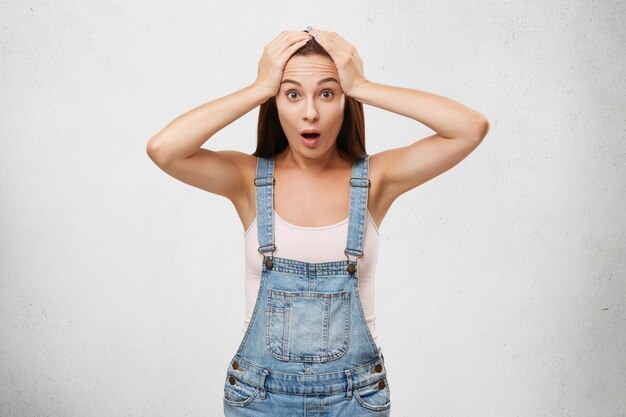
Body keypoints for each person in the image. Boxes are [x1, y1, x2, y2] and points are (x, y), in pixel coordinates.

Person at [146, 27, 489, 416]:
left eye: (327, 93)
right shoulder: (247, 180)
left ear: (347, 100)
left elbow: (469, 128)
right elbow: (164, 149)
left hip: (354, 400)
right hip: (260, 399)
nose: (310, 112)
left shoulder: (376, 180)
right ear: (275, 103)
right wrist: (259, 87)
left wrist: (363, 84)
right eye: (292, 94)